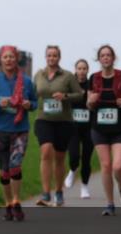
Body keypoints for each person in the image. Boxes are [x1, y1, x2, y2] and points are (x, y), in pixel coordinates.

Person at [0, 45, 37, 221]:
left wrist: (29, 105)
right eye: (5, 57)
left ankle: (16, 201)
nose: (8, 60)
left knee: (15, 166)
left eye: (11, 57)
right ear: (0, 60)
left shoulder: (27, 82)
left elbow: (35, 103)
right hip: (0, 131)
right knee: (4, 170)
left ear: (17, 59)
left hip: (20, 131)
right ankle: (7, 203)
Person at [87, 45, 121, 216]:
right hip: (99, 128)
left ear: (113, 58)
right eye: (103, 55)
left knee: (118, 165)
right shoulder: (93, 78)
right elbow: (88, 103)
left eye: (109, 55)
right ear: (99, 59)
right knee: (106, 165)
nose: (106, 58)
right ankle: (109, 203)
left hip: (120, 127)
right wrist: (91, 101)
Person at [32, 46, 85, 207]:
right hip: (43, 119)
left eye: (55, 55)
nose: (52, 58)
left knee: (60, 158)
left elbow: (80, 95)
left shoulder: (68, 76)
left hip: (63, 121)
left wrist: (65, 96)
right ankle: (46, 193)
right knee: (46, 151)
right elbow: (33, 94)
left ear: (59, 58)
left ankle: (59, 191)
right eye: (49, 55)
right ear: (45, 57)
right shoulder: (38, 75)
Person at [65, 59, 95, 199]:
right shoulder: (70, 84)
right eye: (79, 68)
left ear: (87, 70)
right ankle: (72, 170)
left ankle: (84, 187)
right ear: (75, 70)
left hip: (89, 127)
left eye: (84, 68)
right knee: (74, 155)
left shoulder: (92, 85)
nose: (82, 71)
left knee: (87, 158)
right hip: (73, 126)